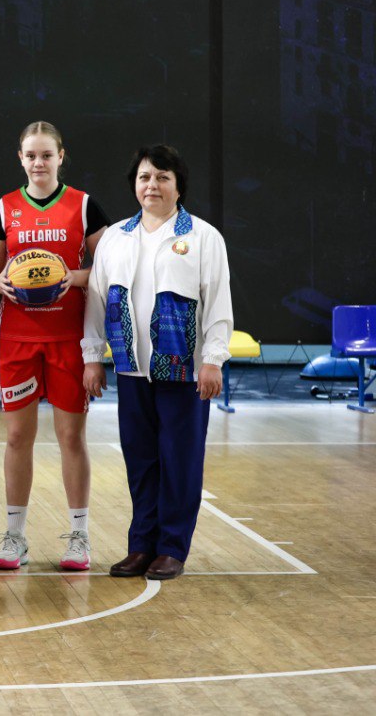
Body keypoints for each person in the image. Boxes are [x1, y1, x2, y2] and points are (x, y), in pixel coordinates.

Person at [83, 145, 232, 581]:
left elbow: (218, 302)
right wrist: (92, 358)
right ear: (135, 184)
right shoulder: (115, 237)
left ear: (178, 186)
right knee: (140, 460)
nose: (153, 185)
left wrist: (213, 359)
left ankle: (171, 548)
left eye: (163, 177)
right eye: (145, 177)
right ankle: (141, 545)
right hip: (131, 368)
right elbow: (95, 300)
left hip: (184, 371)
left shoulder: (203, 237)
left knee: (180, 459)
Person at [0, 121, 110, 571]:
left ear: (60, 157)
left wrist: (71, 277)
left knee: (71, 437)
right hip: (18, 339)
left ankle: (79, 536)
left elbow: (106, 268)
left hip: (68, 338)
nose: (39, 163)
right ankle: (15, 536)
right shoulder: (4, 208)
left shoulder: (84, 205)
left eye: (46, 155)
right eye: (31, 155)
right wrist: (0, 283)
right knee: (18, 437)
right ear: (20, 158)